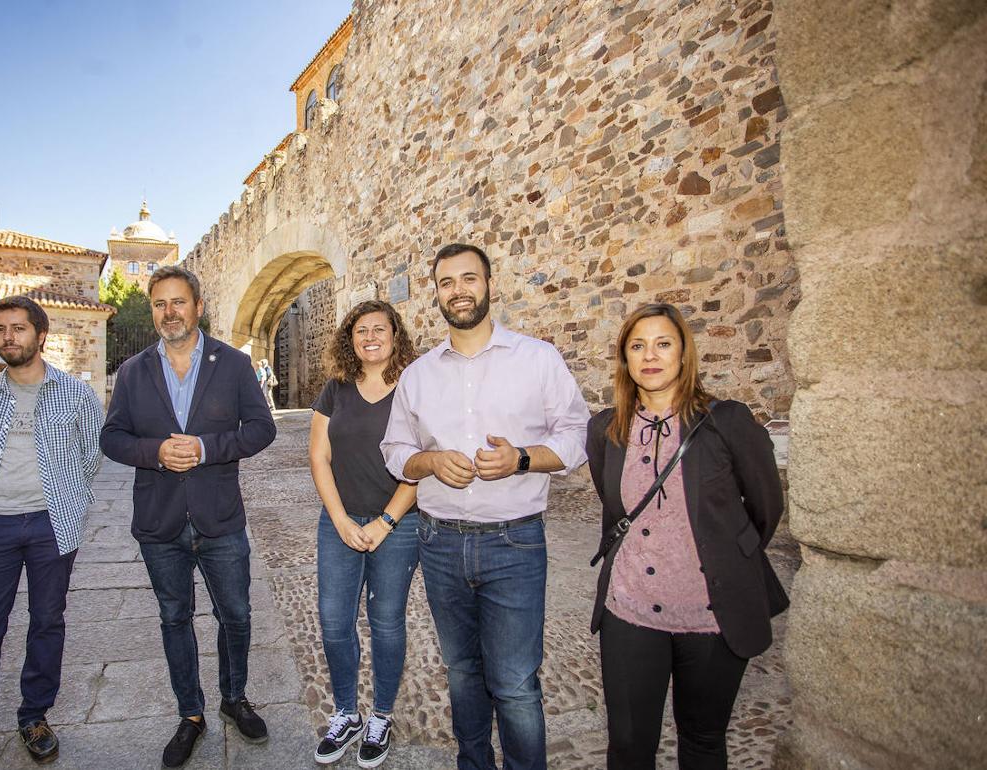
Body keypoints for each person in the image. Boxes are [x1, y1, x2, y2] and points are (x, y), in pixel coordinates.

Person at [380, 243, 590, 770]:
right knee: (460, 671)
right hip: (439, 542)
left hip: (514, 542)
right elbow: (394, 453)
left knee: (515, 683)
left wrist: (522, 458)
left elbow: (576, 437)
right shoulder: (418, 375)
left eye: (469, 278)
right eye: (447, 282)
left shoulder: (538, 359)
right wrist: (429, 463)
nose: (459, 290)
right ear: (436, 294)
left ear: (490, 285)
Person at [585, 303, 787, 769]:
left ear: (683, 354)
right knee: (630, 745)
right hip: (631, 609)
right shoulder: (605, 429)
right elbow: (614, 505)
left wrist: (721, 557)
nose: (649, 356)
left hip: (710, 616)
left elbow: (765, 510)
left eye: (662, 344)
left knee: (702, 741)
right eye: (637, 346)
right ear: (625, 358)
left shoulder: (727, 422)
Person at [100, 265, 277, 769]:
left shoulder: (233, 365)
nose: (169, 312)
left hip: (220, 519)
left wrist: (205, 447)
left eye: (179, 302)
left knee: (236, 616)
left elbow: (262, 429)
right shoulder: (133, 371)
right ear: (153, 309)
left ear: (198, 307)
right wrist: (157, 451)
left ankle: (234, 697)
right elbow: (112, 438)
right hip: (160, 525)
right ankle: (190, 714)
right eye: (160, 303)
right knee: (175, 618)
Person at [0, 296, 104, 770]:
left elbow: (92, 454)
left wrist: (68, 497)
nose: (8, 337)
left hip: (53, 524)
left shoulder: (74, 394)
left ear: (40, 336)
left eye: (18, 329)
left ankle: (34, 717)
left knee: (47, 622)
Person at [309, 300, 419, 768]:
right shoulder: (335, 389)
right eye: (360, 331)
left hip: (399, 522)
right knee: (335, 622)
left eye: (379, 329)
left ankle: (382, 715)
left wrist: (385, 522)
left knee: (387, 621)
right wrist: (339, 520)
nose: (369, 337)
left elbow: (422, 464)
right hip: (340, 521)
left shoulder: (415, 388)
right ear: (349, 340)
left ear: (396, 336)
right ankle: (347, 713)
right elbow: (318, 456)